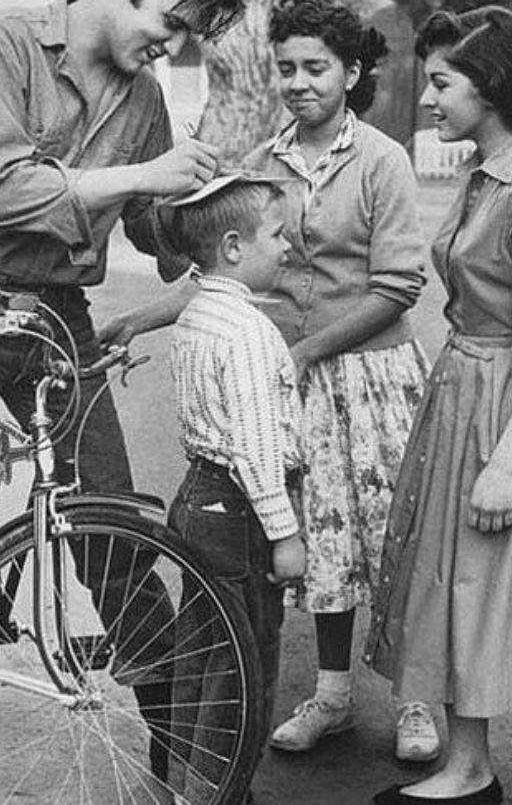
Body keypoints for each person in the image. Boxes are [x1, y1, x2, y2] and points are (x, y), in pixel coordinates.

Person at [0, 0, 244, 585]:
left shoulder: (145, 98)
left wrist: (205, 205)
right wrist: (144, 175)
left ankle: (155, 662)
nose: (174, 46)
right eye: (172, 22)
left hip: (59, 317)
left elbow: (149, 228)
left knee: (115, 533)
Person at [366, 6, 512, 805]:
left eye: (441, 83)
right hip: (464, 393)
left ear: (488, 87)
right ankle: (469, 766)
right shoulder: (482, 172)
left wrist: (505, 463)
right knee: (458, 580)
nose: (427, 98)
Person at [237, 0, 438, 763]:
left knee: (394, 540)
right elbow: (232, 270)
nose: (298, 82)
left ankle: (415, 698)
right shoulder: (264, 162)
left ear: (350, 73)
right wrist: (137, 319)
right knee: (324, 543)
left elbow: (398, 286)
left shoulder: (383, 159)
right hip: (300, 384)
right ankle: (333, 696)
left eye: (315, 67)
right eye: (286, 67)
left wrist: (308, 350)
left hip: (375, 378)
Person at [164, 175, 306, 805]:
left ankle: (185, 781)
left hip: (199, 497)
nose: (288, 247)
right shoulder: (247, 330)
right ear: (232, 247)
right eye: (276, 235)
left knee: (199, 650)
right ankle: (223, 790)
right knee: (245, 660)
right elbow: (255, 446)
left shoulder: (197, 314)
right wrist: (285, 534)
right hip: (241, 510)